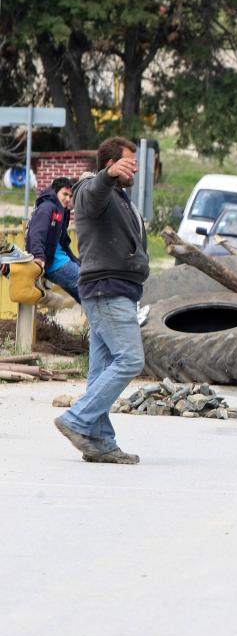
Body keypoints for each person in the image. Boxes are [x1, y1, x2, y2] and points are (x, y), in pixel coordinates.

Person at [54, 137, 148, 465]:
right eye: (128, 163)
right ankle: (78, 419)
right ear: (110, 164)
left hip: (113, 290)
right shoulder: (93, 190)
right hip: (108, 291)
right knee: (130, 359)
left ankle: (99, 441)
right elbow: (90, 194)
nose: (135, 169)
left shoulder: (121, 199)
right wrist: (106, 176)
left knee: (101, 370)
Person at [26, 177, 81, 303]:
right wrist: (39, 256)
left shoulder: (62, 211)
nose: (68, 199)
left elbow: (61, 242)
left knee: (85, 293)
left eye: (70, 195)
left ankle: (97, 319)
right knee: (89, 284)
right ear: (55, 192)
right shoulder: (47, 208)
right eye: (65, 194)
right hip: (54, 264)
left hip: (60, 260)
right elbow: (36, 234)